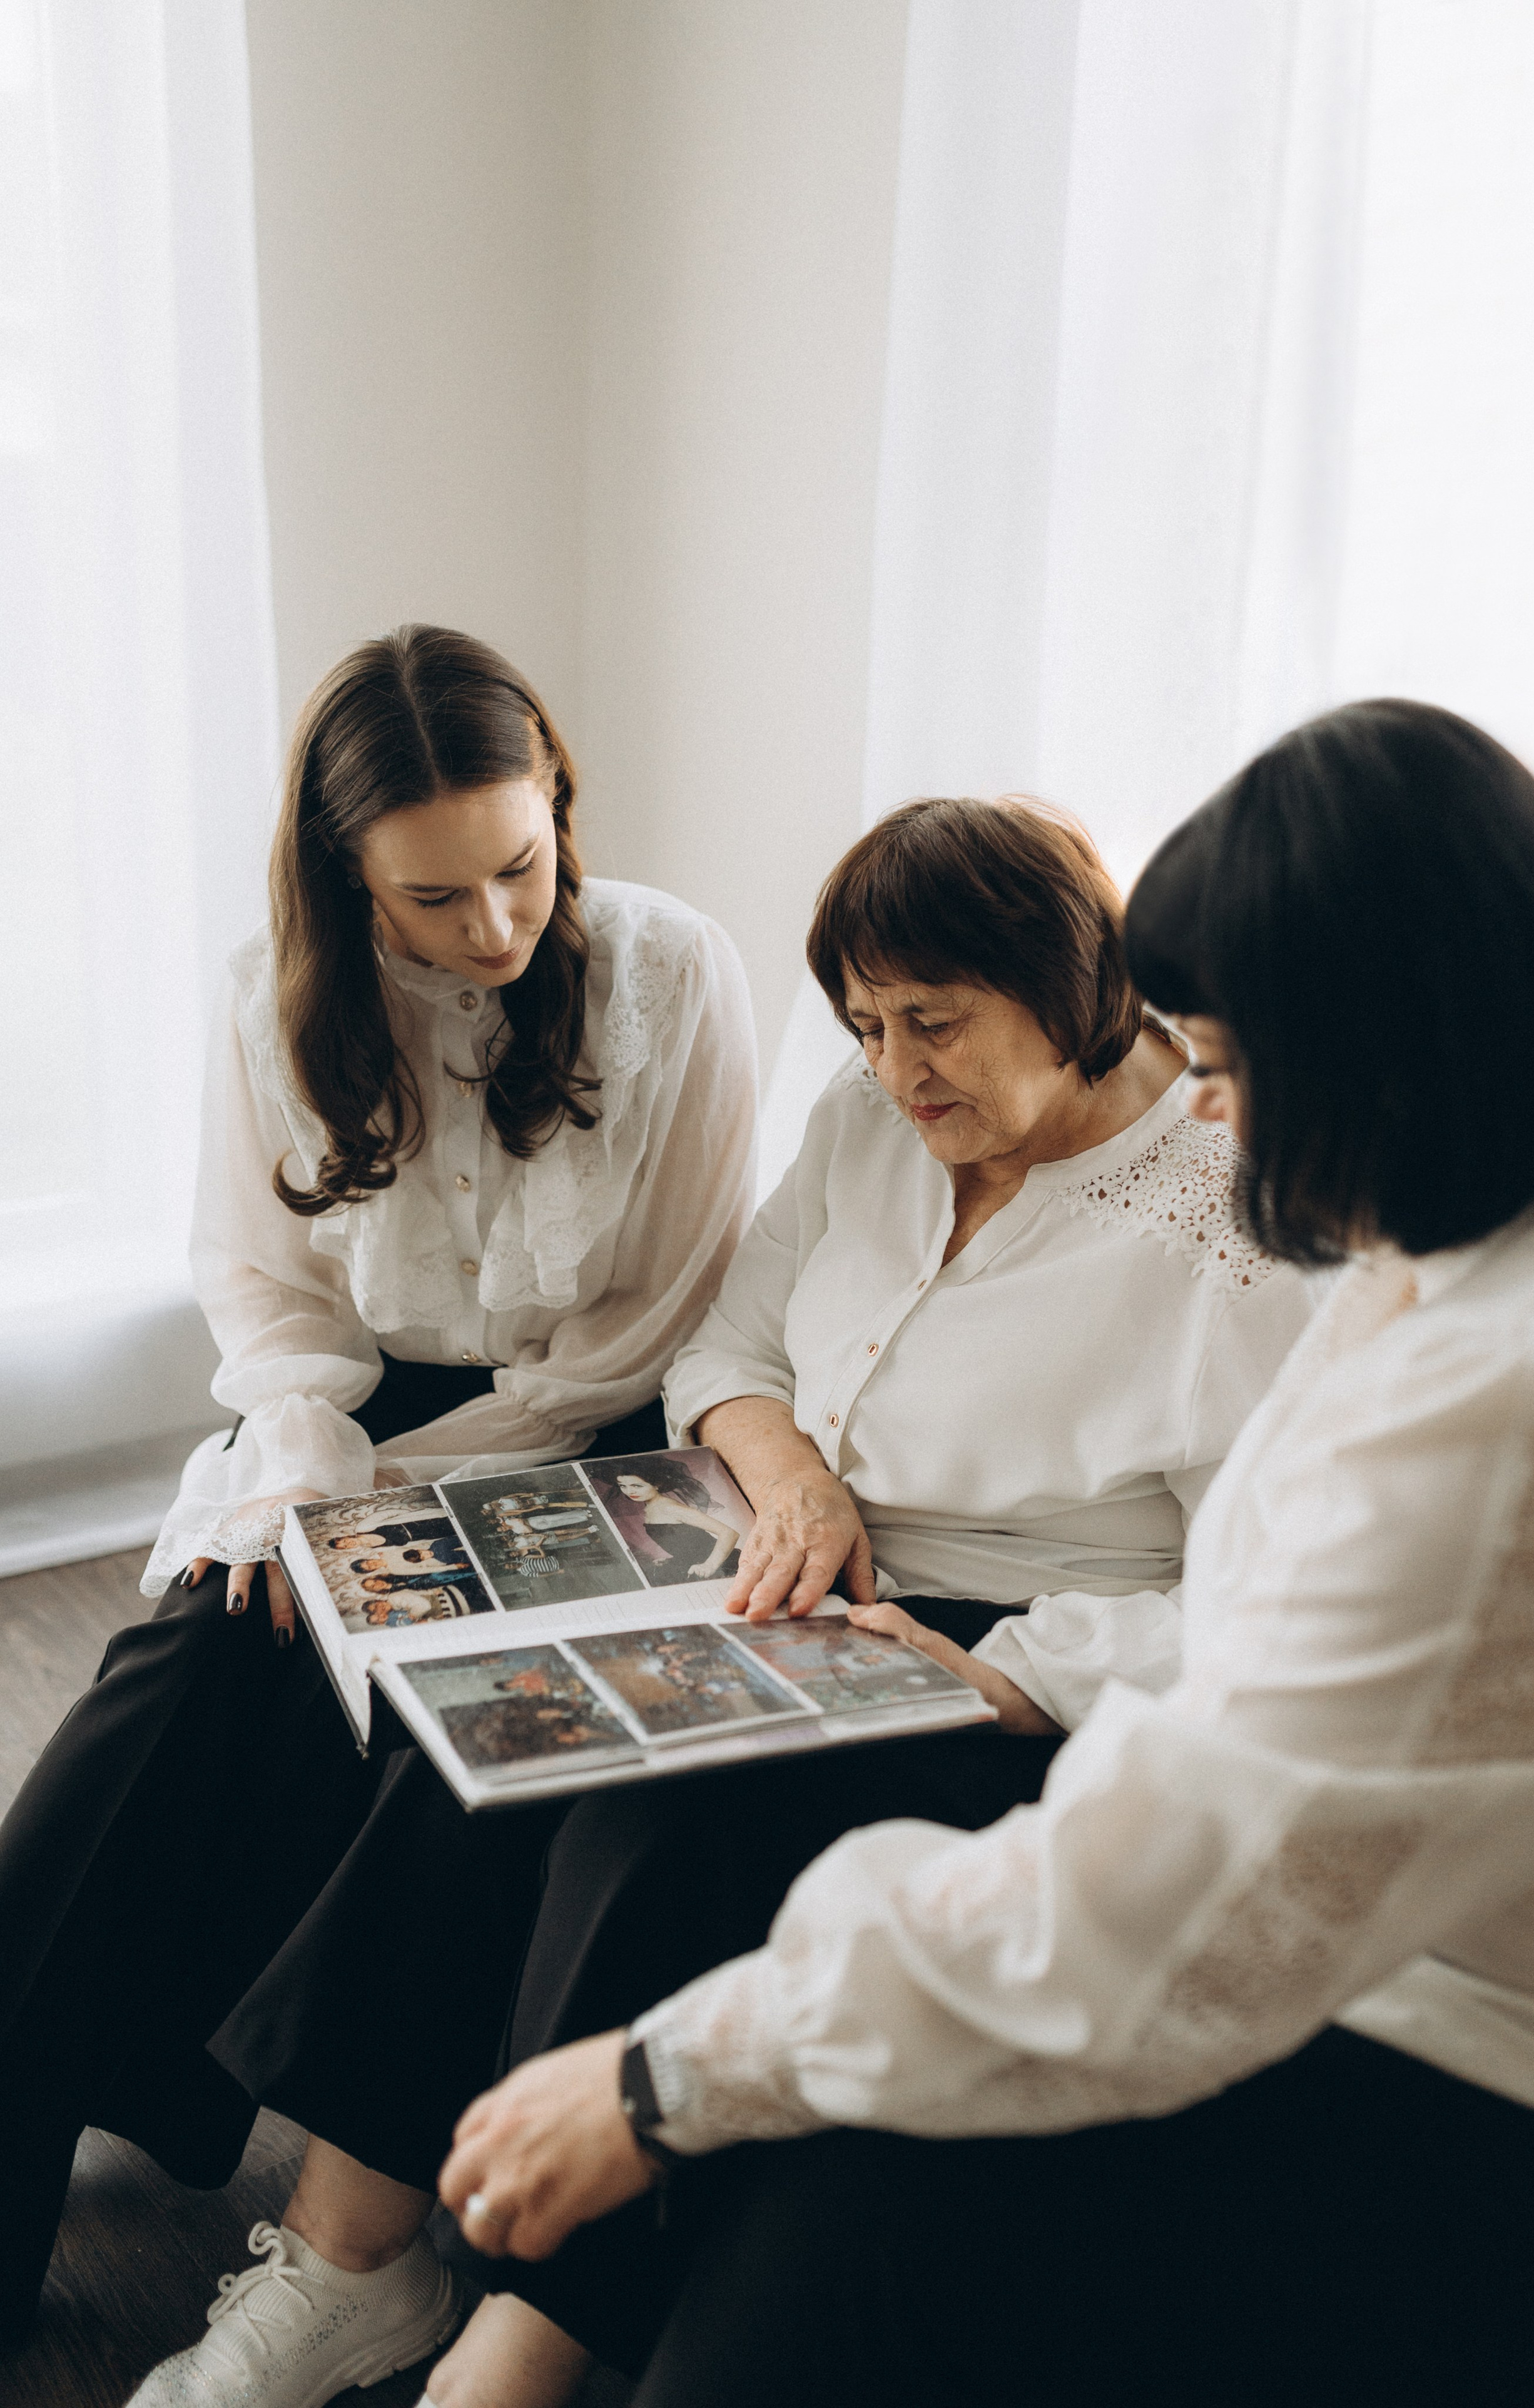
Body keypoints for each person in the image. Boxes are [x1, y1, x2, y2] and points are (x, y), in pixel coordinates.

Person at [431, 700, 1534, 2408]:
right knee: (817, 2114)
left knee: (854, 2211)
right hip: (1351, 1944)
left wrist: (662, 2076)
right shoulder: (1461, 1246)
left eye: (1227, 1065)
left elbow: (1168, 1910)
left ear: (1387, 1046)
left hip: (1488, 2087)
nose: (1214, 1121)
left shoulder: (1512, 1401)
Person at [119, 795, 1312, 2408]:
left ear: (1074, 980)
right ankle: (351, 2259)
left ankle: (518, 2344)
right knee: (484, 1740)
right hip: (781, 1554)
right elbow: (727, 1348)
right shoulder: (875, 1110)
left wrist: (1012, 1675)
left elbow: (1264, 1588)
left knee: (653, 1831)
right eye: (869, 1025)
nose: (899, 1071)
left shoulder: (1231, 1217)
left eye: (936, 1025)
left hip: (1014, 1663)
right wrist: (788, 1468)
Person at [0, 624, 758, 2354]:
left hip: (605, 1422)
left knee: (385, 1706)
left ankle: (324, 2216)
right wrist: (311, 1468)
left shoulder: (674, 972)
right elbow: (263, 1292)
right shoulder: (269, 993)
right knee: (177, 1687)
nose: (492, 928)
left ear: (560, 803)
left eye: (520, 865)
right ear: (348, 880)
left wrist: (390, 1494)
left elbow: (651, 1320)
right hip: (349, 1416)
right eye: (432, 899)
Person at [601, 1457, 743, 1581]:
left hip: (725, 1565)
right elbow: (687, 1544)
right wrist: (674, 1560)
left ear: (657, 1484)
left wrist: (709, 1565)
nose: (630, 1492)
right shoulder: (649, 1507)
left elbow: (729, 1533)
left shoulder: (670, 1508)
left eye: (637, 1486)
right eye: (623, 1486)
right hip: (693, 1566)